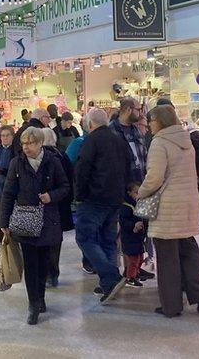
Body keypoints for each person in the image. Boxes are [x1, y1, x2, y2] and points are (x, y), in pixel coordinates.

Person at [139, 105, 199, 318]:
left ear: (160, 121)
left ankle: (171, 305)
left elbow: (154, 178)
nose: (149, 125)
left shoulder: (160, 143)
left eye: (151, 120)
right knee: (188, 251)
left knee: (167, 257)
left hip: (168, 207)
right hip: (188, 203)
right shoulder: (186, 140)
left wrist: (141, 192)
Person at [0, 128, 70, 325]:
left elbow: (65, 187)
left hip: (48, 220)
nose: (26, 147)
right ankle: (33, 303)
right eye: (23, 144)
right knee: (30, 264)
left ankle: (41, 296)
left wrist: (51, 196)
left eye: (30, 143)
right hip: (26, 220)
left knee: (44, 262)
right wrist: (3, 222)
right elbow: (8, 193)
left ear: (40, 144)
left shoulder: (53, 161)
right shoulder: (17, 163)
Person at [74, 108, 134, 303]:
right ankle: (109, 284)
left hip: (94, 198)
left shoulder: (91, 141)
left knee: (85, 238)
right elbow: (128, 166)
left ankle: (110, 276)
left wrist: (79, 195)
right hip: (115, 199)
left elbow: (82, 170)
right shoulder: (119, 139)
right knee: (107, 240)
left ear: (90, 124)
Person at [41, 128, 74, 288]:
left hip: (44, 205)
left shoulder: (42, 158)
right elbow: (69, 182)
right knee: (55, 241)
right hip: (61, 205)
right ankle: (53, 274)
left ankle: (45, 273)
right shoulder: (63, 156)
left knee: (42, 241)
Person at [110, 97, 147, 184]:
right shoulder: (111, 130)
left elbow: (144, 155)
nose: (140, 113)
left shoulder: (136, 130)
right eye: (138, 109)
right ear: (128, 109)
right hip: (121, 184)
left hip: (140, 181)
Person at [118, 182, 147, 287]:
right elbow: (123, 221)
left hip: (137, 237)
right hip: (129, 237)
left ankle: (135, 273)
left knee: (140, 257)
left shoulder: (137, 204)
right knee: (133, 259)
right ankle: (131, 277)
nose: (138, 194)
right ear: (129, 193)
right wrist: (133, 226)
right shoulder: (126, 207)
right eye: (136, 192)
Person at [0, 125, 15, 242]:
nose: (5, 138)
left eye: (7, 135)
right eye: (2, 136)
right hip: (0, 187)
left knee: (10, 215)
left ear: (12, 136)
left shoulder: (14, 150)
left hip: (10, 188)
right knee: (1, 216)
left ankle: (12, 241)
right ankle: (2, 241)